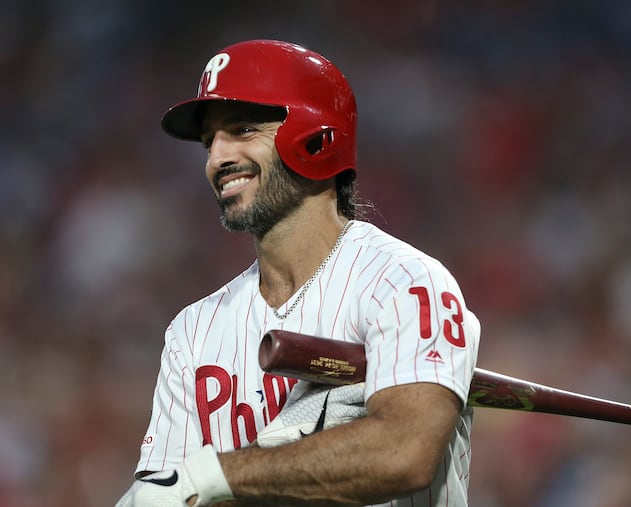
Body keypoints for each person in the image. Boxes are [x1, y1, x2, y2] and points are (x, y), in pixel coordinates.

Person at [117, 39, 481, 507]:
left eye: (243, 129)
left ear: (317, 137)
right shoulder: (193, 332)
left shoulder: (405, 282)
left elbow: (405, 453)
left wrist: (215, 475)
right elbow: (171, 493)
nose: (215, 160)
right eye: (210, 143)